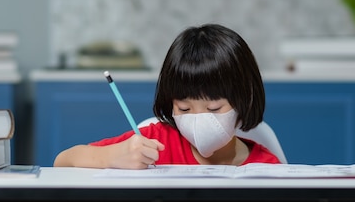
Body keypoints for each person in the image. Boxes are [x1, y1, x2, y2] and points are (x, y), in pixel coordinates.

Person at [53, 23, 280, 169]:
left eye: (213, 109)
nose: (198, 119)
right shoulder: (154, 143)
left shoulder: (267, 166)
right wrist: (112, 156)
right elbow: (62, 161)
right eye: (183, 108)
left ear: (244, 99)